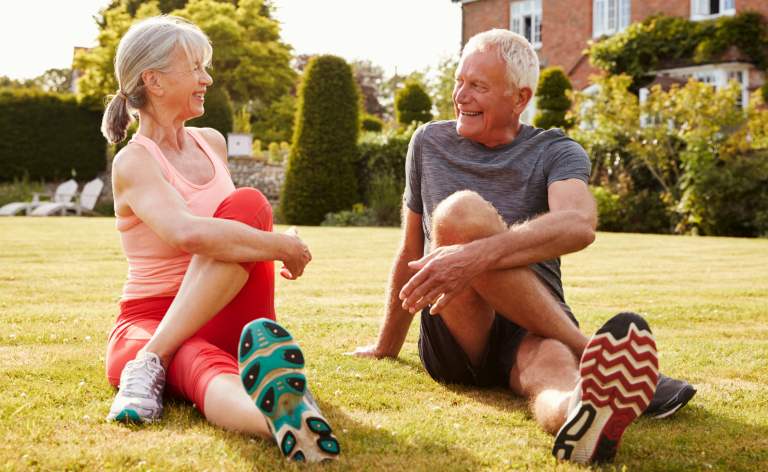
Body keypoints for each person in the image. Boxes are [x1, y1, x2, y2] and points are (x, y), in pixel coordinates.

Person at [349, 29, 696, 464]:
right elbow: (409, 250)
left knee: (555, 372)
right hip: (457, 327)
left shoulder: (555, 150)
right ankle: (587, 347)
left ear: (519, 97)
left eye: (478, 86)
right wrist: (386, 345)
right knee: (460, 213)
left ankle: (580, 414)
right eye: (459, 81)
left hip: (535, 326)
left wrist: (475, 256)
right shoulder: (428, 142)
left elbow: (579, 225)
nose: (461, 95)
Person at [101, 16, 338, 463]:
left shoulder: (212, 142)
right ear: (152, 80)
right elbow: (187, 232)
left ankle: (151, 363)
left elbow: (233, 228)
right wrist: (282, 246)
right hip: (151, 319)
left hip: (228, 311)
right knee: (194, 360)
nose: (207, 79)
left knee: (249, 204)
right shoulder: (134, 163)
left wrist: (268, 238)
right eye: (195, 68)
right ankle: (284, 421)